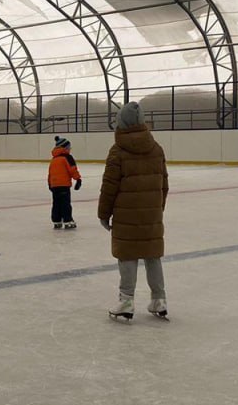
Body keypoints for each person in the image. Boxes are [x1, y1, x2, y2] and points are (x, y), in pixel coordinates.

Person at [99, 101, 169, 321]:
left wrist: (103, 214)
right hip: (152, 214)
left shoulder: (118, 151)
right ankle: (159, 299)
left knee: (127, 256)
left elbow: (109, 186)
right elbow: (164, 184)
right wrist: (157, 209)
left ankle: (126, 300)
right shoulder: (156, 149)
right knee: (152, 255)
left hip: (125, 215)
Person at [47, 136, 82, 229]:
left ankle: (57, 220)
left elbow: (50, 173)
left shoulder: (54, 159)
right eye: (69, 147)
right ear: (65, 148)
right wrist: (78, 179)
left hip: (54, 185)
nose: (70, 149)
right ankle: (67, 220)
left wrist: (50, 184)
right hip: (64, 185)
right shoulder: (68, 157)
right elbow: (72, 169)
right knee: (65, 203)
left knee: (56, 203)